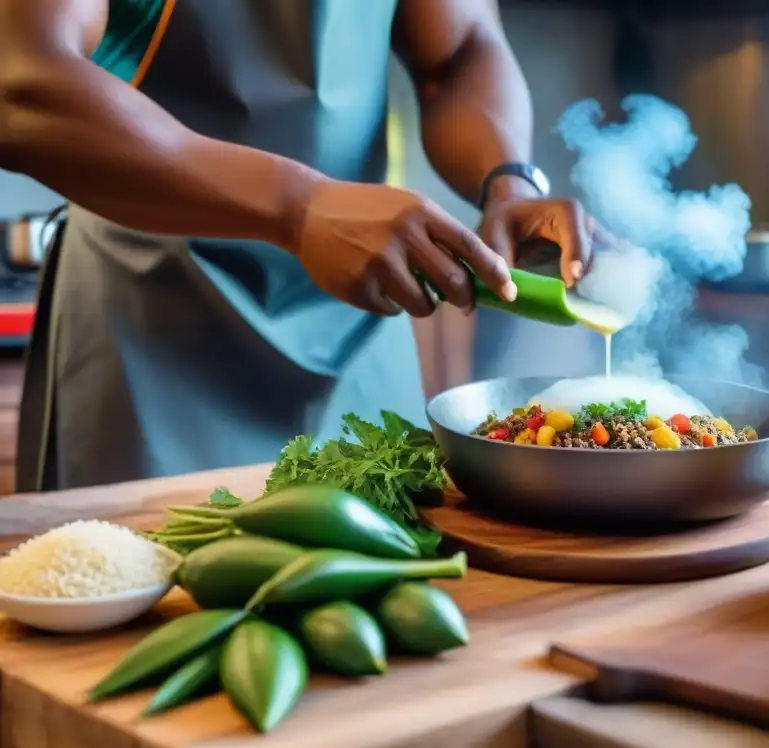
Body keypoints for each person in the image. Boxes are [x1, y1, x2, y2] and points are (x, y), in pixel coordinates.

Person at [0, 0, 600, 492]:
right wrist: (297, 205)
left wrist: (508, 182)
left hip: (363, 319)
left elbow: (461, 47)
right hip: (149, 323)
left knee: (397, 605)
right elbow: (23, 84)